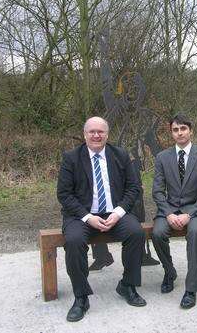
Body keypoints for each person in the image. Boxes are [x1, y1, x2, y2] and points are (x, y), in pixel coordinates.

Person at [57, 116, 147, 322]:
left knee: (136, 233)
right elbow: (64, 194)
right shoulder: (72, 158)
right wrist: (88, 217)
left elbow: (134, 188)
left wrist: (118, 213)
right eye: (92, 131)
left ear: (107, 134)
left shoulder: (120, 155)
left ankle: (128, 286)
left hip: (114, 213)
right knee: (73, 241)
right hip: (81, 216)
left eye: (101, 131)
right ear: (85, 134)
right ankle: (81, 297)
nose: (96, 135)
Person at [151, 113, 197, 309]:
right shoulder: (162, 157)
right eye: (175, 130)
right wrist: (169, 213)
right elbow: (157, 190)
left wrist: (190, 214)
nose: (179, 133)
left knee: (195, 233)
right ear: (171, 133)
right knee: (157, 233)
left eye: (183, 129)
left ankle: (191, 289)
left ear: (190, 130)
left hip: (196, 208)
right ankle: (169, 272)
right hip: (169, 208)